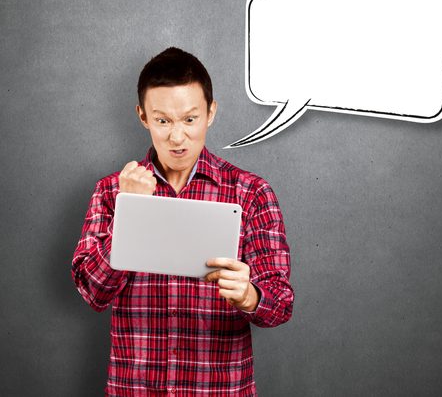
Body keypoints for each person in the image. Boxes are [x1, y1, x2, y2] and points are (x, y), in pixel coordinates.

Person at [71, 47, 294, 396]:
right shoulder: (112, 190)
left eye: (190, 119)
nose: (177, 137)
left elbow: (280, 304)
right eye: (163, 121)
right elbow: (92, 293)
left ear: (211, 113)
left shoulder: (252, 193)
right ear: (143, 116)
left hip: (219, 389)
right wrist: (130, 211)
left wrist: (250, 296)